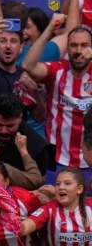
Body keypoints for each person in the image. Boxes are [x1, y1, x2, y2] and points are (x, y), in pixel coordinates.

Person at [23, 26, 92, 182]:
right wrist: (48, 31)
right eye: (74, 45)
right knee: (55, 204)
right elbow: (28, 65)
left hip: (90, 162)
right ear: (67, 48)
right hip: (58, 159)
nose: (78, 51)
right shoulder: (56, 71)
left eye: (84, 45)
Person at [0, 93, 53, 175]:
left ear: (20, 118)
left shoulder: (37, 145)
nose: (4, 131)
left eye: (10, 126)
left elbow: (41, 179)